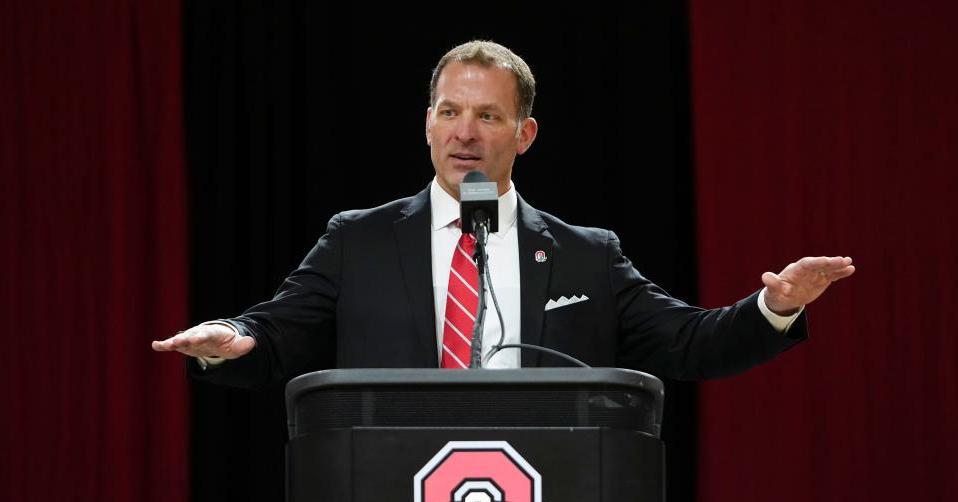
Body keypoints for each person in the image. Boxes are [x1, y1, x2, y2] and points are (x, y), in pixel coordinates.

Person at [152, 40, 854, 387]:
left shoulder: (586, 255)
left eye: (488, 115)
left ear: (524, 135)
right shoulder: (356, 241)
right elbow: (276, 332)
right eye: (450, 113)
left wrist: (773, 307)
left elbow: (691, 344)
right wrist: (231, 334)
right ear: (427, 125)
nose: (465, 132)